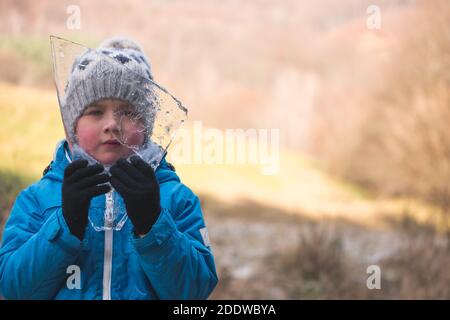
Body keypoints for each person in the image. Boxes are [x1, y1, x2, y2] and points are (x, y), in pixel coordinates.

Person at [0, 37, 218, 300]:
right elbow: (14, 289)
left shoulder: (176, 199)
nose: (112, 124)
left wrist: (152, 224)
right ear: (73, 126)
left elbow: (194, 292)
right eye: (95, 111)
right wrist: (64, 224)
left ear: (147, 127)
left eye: (129, 112)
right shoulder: (37, 200)